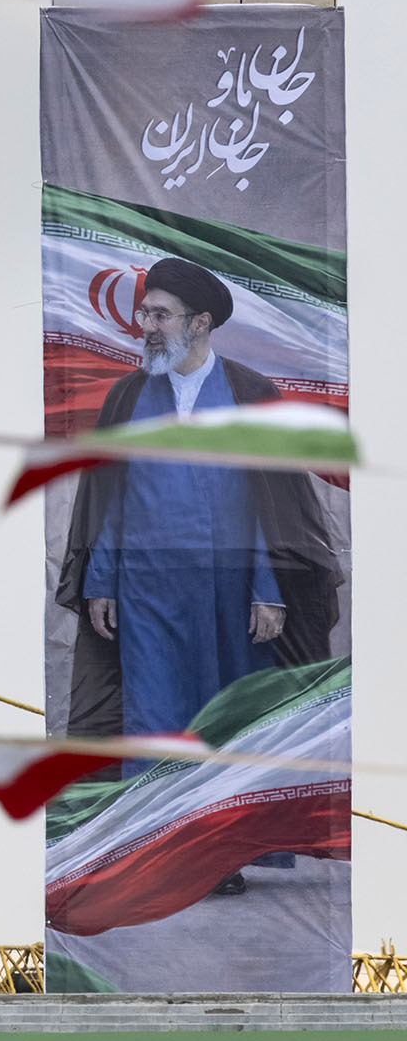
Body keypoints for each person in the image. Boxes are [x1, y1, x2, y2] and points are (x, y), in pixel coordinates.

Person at [57, 257, 342, 741]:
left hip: (232, 594)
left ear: (200, 323)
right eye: (145, 313)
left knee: (234, 720)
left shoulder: (252, 394)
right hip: (147, 592)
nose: (145, 326)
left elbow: (274, 512)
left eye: (160, 315)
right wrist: (100, 581)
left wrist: (268, 591)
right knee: (152, 718)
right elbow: (108, 500)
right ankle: (152, 816)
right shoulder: (126, 397)